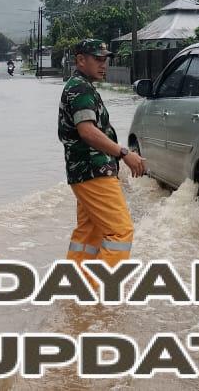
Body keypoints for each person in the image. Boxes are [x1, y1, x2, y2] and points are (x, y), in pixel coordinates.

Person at [59, 39, 147, 277]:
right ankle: (100, 294)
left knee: (88, 235)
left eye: (105, 59)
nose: (104, 64)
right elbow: (87, 131)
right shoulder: (81, 89)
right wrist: (124, 153)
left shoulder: (78, 85)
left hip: (83, 172)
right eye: (97, 59)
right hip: (93, 170)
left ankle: (75, 293)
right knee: (121, 232)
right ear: (80, 60)